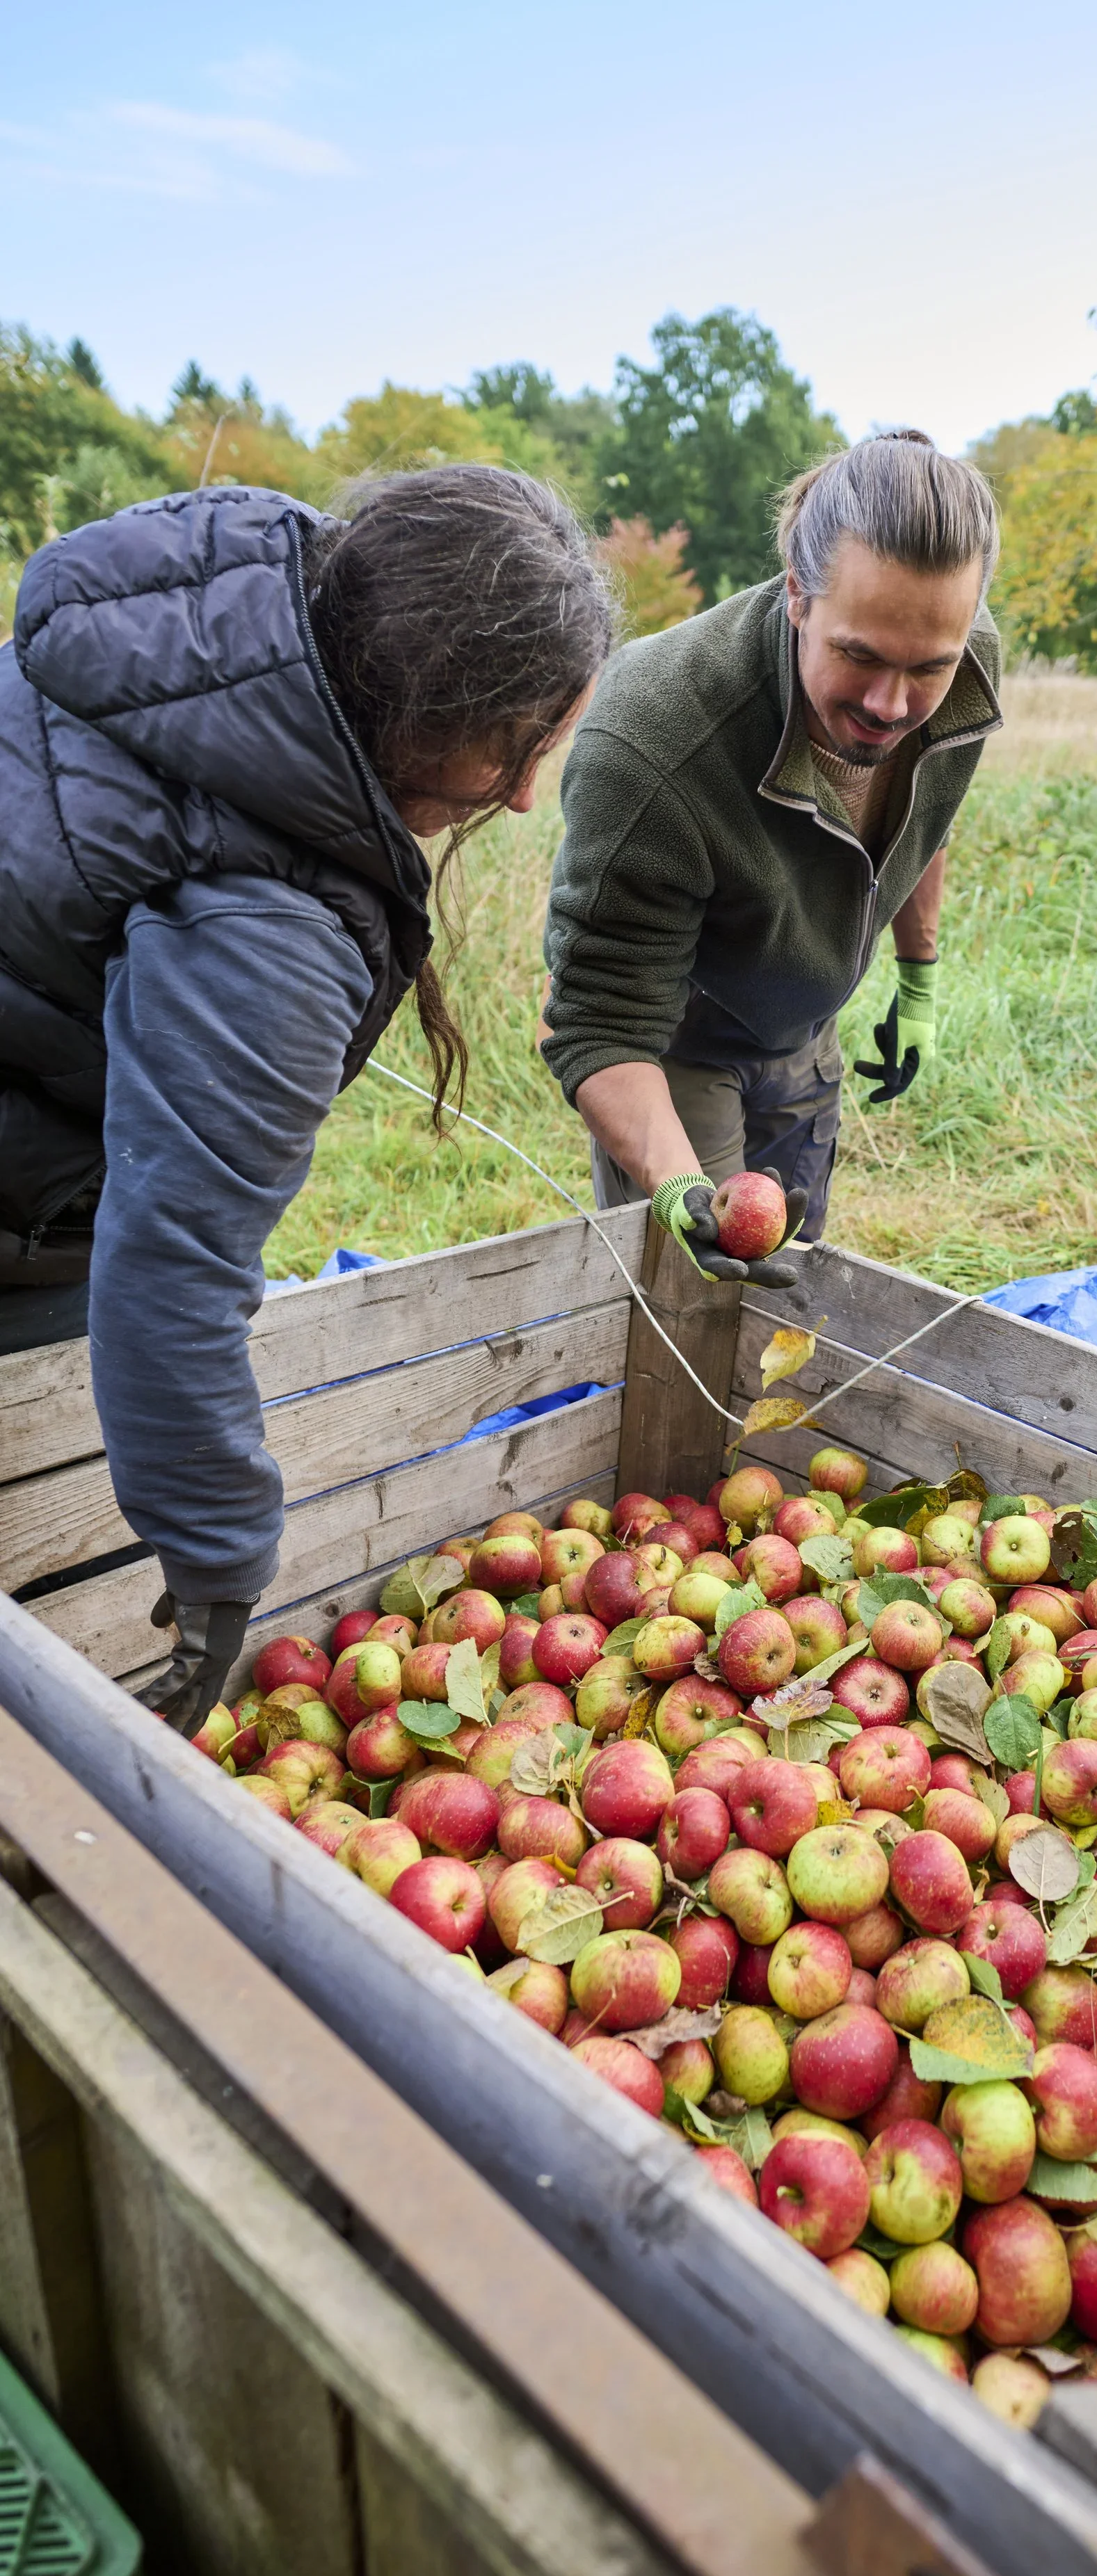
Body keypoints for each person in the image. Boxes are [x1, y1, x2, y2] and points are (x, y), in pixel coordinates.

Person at [1, 467, 612, 1728]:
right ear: (429, 711)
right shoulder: (268, 929)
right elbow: (174, 1266)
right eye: (514, 745)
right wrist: (221, 1556)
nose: (519, 795)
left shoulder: (227, 591)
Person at [538, 429, 1001, 1285]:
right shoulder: (652, 741)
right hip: (676, 1038)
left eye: (927, 668)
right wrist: (679, 1187)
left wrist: (918, 978)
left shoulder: (964, 664)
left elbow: (923, 811)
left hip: (800, 1026)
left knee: (795, 1272)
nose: (890, 704)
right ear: (796, 593)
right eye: (857, 656)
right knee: (691, 1297)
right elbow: (598, 1024)